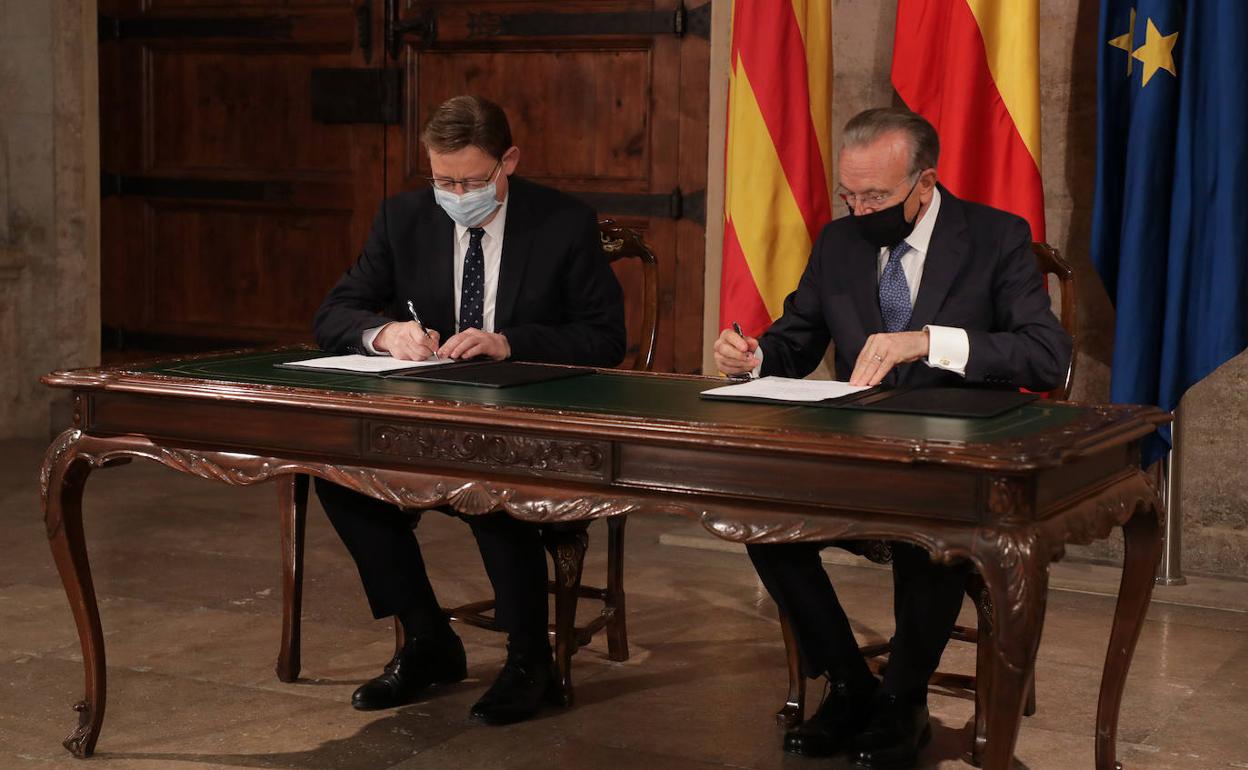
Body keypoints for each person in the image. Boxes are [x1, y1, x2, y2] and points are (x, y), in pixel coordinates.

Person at [714, 107, 1071, 769]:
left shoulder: (995, 238)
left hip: (955, 458)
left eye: (875, 196)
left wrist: (930, 341)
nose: (859, 209)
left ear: (925, 184)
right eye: (849, 194)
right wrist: (754, 357)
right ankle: (850, 684)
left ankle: (903, 700)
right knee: (755, 510)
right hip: (857, 446)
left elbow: (1046, 357)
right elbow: (796, 341)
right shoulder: (841, 242)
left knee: (929, 529)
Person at [313, 95, 626, 725]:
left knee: (489, 485)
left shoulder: (561, 221)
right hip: (425, 414)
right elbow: (333, 314)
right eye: (443, 179)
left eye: (472, 180)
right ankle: (429, 641)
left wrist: (510, 343)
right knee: (339, 479)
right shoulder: (404, 218)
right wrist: (384, 335)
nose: (456, 193)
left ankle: (528, 658)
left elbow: (604, 336)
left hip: (525, 419)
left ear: (508, 162)